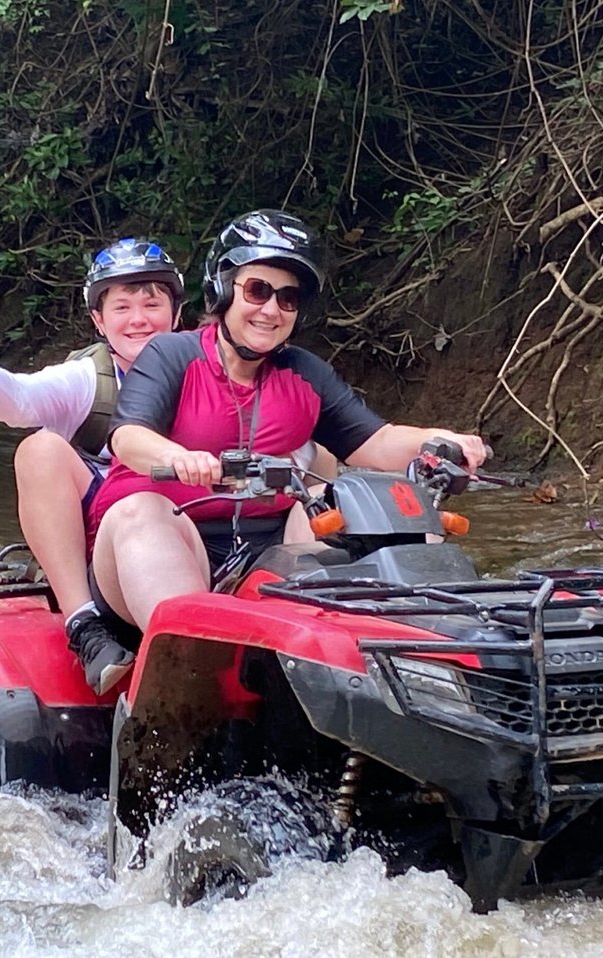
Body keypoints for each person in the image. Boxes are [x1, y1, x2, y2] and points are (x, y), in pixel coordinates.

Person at [86, 209, 489, 654]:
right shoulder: (171, 353)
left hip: (267, 549)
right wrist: (180, 458)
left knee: (362, 502)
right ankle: (195, 663)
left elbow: (376, 442)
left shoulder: (304, 372)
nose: (271, 310)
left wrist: (441, 440)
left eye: (288, 298)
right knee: (139, 510)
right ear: (222, 290)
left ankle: (432, 651)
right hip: (159, 542)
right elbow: (128, 437)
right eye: (258, 291)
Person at [0, 238, 183, 692]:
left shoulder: (210, 366)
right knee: (40, 449)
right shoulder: (86, 380)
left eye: (152, 304)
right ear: (99, 319)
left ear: (176, 313)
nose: (138, 319)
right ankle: (84, 625)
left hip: (191, 531)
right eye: (122, 307)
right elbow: (19, 400)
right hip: (108, 534)